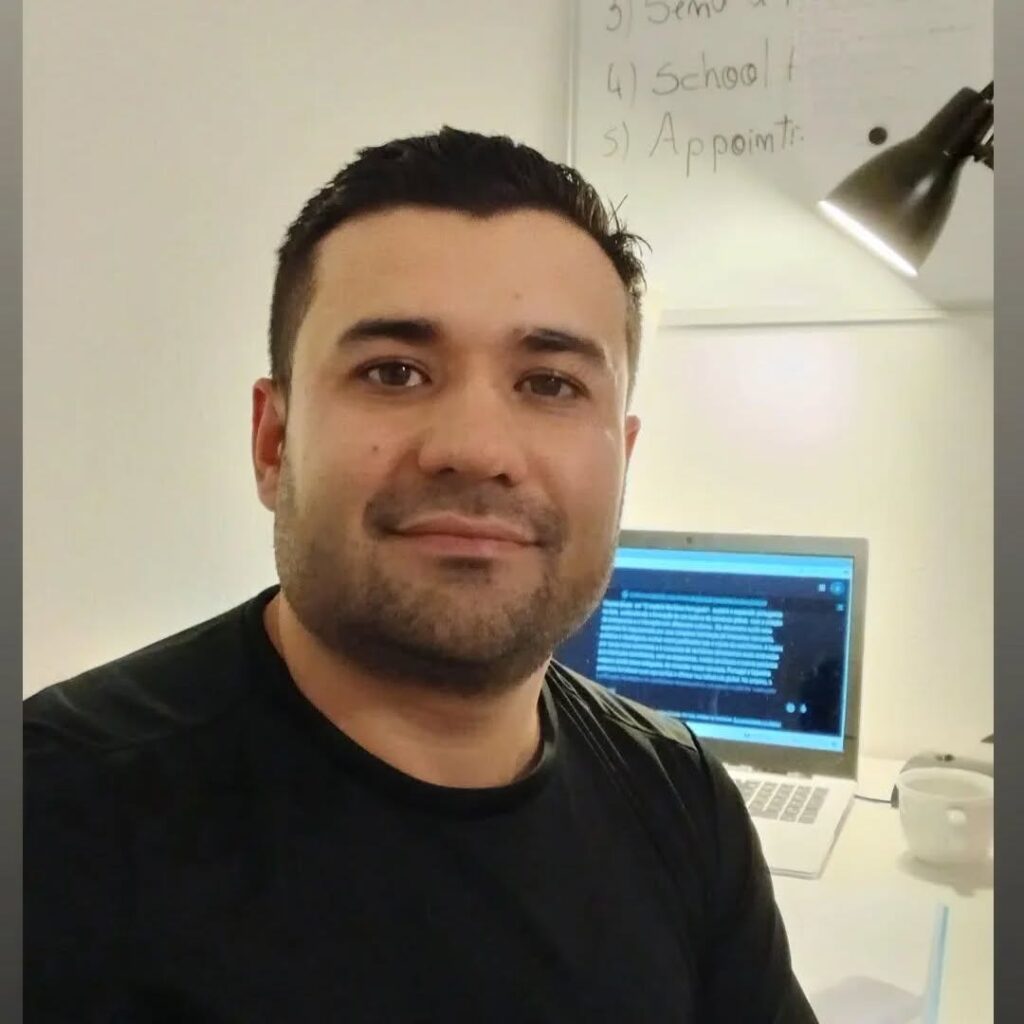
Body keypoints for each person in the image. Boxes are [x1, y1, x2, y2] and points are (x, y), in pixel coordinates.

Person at [24, 127, 817, 1023]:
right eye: (394, 372)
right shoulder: (48, 815)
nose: (475, 449)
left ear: (622, 460)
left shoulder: (683, 802)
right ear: (274, 443)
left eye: (551, 384)